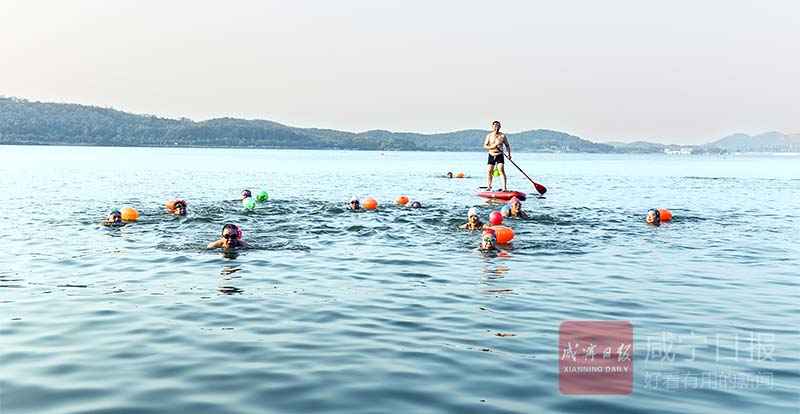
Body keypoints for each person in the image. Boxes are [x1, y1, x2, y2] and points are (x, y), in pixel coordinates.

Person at [483, 120, 511, 192]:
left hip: (500, 154)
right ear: (492, 126)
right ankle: (489, 187)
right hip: (491, 154)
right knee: (489, 171)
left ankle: (504, 188)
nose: (497, 127)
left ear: (500, 127)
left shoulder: (502, 136)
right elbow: (485, 146)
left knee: (501, 170)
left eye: (498, 125)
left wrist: (508, 154)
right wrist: (492, 147)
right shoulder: (489, 136)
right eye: (495, 125)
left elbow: (507, 145)